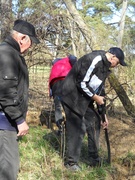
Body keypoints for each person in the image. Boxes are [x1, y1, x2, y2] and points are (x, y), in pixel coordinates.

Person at [59, 47, 127, 171]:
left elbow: (100, 90)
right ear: (113, 57)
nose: (117, 66)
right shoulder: (94, 59)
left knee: (95, 122)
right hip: (71, 96)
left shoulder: (105, 68)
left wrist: (103, 114)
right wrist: (96, 97)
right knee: (78, 128)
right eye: (118, 63)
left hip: (84, 98)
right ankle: (71, 163)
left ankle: (94, 158)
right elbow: (81, 83)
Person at [0, 19, 40, 179]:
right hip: (4, 121)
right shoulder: (7, 53)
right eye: (31, 42)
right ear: (23, 38)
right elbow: (5, 91)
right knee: (8, 169)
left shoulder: (10, 52)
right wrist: (19, 119)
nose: (31, 47)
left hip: (6, 119)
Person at [49, 55, 77, 129]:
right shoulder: (68, 59)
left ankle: (60, 127)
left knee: (57, 107)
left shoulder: (55, 66)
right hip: (67, 82)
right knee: (68, 106)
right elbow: (74, 59)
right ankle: (70, 126)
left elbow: (50, 81)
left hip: (55, 85)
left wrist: (51, 94)